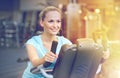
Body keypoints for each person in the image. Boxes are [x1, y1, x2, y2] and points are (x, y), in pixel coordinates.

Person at [22, 6, 72, 78]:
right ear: (42, 23)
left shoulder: (66, 43)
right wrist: (44, 59)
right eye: (51, 21)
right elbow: (34, 62)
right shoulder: (32, 42)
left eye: (58, 21)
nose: (55, 25)